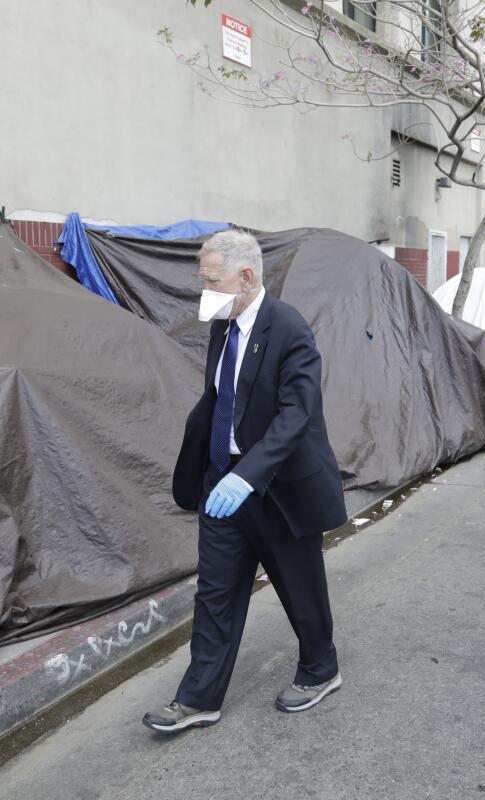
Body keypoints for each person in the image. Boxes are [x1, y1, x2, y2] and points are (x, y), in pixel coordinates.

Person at [143, 230, 346, 733]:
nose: (204, 292)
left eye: (212, 281)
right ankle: (199, 698)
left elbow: (296, 416)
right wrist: (213, 466)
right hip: (222, 483)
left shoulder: (289, 329)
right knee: (214, 593)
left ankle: (321, 669)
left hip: (277, 487)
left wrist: (249, 475)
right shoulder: (224, 325)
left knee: (299, 589)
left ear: (246, 277)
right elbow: (221, 396)